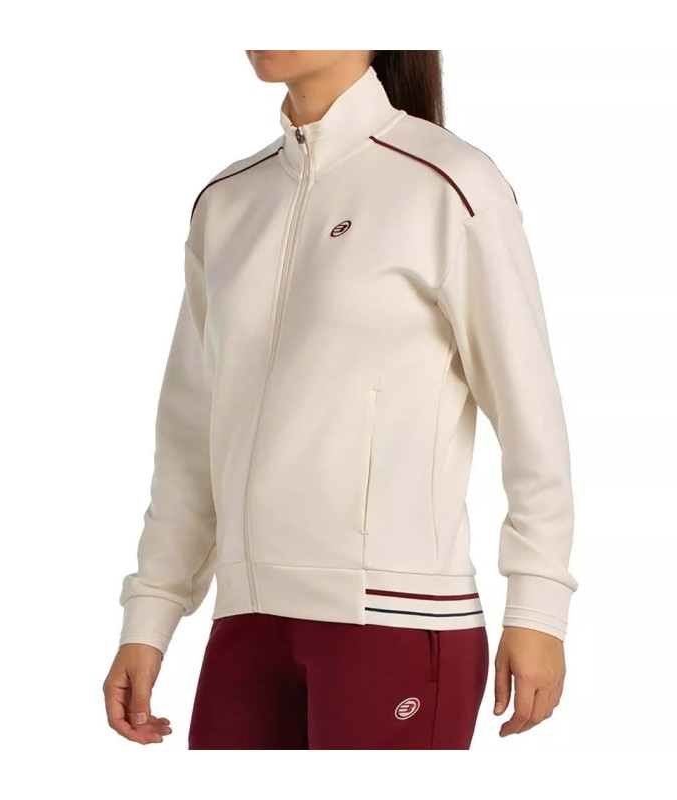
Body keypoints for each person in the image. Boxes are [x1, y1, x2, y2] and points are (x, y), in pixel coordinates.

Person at [103, 50, 579, 750]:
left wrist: (538, 607)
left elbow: (531, 416)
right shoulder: (227, 203)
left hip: (396, 619)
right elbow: (189, 435)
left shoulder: (448, 184)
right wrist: (150, 614)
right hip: (247, 621)